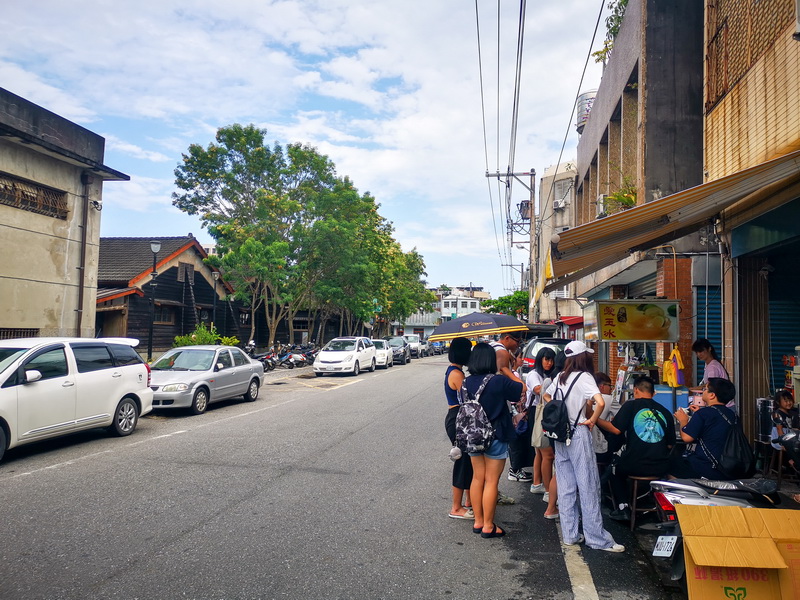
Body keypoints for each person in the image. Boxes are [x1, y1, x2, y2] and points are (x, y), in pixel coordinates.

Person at [543, 341, 625, 552]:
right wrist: (591, 419)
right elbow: (600, 401)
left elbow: (546, 395)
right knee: (588, 485)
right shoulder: (585, 377)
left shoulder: (561, 376)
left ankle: (570, 534)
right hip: (578, 432)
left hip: (561, 435)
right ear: (583, 357)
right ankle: (597, 538)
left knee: (566, 485)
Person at [463, 342, 523, 538]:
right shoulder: (498, 381)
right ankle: (489, 526)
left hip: (473, 435)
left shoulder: (466, 382)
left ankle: (478, 521)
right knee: (491, 481)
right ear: (491, 360)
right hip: (496, 435)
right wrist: (507, 369)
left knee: (477, 478)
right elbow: (521, 389)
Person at [596, 376, 675, 521]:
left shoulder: (630, 406)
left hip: (634, 465)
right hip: (660, 467)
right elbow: (670, 445)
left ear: (636, 390)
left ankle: (623, 507)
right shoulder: (665, 412)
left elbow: (615, 430)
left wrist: (594, 418)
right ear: (653, 392)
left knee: (614, 468)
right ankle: (648, 501)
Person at [671, 377, 738, 479]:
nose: (703, 392)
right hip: (729, 467)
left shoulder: (704, 413)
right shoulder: (732, 414)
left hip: (707, 466)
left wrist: (683, 421)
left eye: (705, 389)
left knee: (670, 465)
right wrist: (699, 414)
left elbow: (687, 438)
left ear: (712, 395)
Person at [489, 332, 531, 483]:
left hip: (487, 403)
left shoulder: (491, 347)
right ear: (507, 338)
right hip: (498, 406)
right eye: (517, 340)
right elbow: (503, 370)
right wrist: (520, 384)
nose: (518, 344)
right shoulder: (501, 350)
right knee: (495, 465)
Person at [526, 347, 559, 519]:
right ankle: (547, 490)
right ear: (540, 360)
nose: (549, 363)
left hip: (543, 414)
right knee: (546, 454)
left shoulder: (549, 375)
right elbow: (539, 390)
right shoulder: (533, 374)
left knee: (540, 451)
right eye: (546, 359)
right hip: (537, 414)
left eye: (551, 360)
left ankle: (536, 482)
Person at [444, 337, 474, 520]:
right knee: (462, 462)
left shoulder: (455, 370)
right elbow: (468, 399)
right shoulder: (456, 374)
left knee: (469, 460)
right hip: (457, 419)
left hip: (458, 418)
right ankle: (456, 507)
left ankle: (469, 501)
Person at [592, 371, 621, 465]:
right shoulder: (609, 399)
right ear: (602, 386)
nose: (611, 389)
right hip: (601, 448)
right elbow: (622, 415)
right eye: (610, 386)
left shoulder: (586, 397)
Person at [771, 389, 800, 472]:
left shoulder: (791, 412)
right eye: (785, 401)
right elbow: (779, 430)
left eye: (790, 400)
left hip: (789, 437)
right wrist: (783, 442)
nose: (789, 403)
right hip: (779, 439)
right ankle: (793, 463)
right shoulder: (777, 414)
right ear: (778, 402)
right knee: (794, 448)